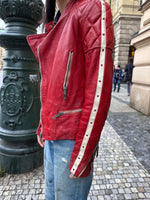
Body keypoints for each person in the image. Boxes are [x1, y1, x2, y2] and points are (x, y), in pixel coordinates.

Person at [27, 0, 114, 199]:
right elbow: (51, 83)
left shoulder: (91, 8)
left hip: (72, 140)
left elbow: (99, 89)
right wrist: (43, 123)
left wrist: (83, 153)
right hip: (52, 136)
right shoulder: (55, 21)